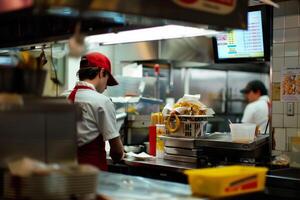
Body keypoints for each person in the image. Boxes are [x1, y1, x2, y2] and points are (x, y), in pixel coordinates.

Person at [67, 52, 124, 170]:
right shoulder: (102, 102)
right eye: (107, 80)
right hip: (93, 175)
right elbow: (117, 153)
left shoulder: (63, 97)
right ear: (102, 72)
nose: (106, 86)